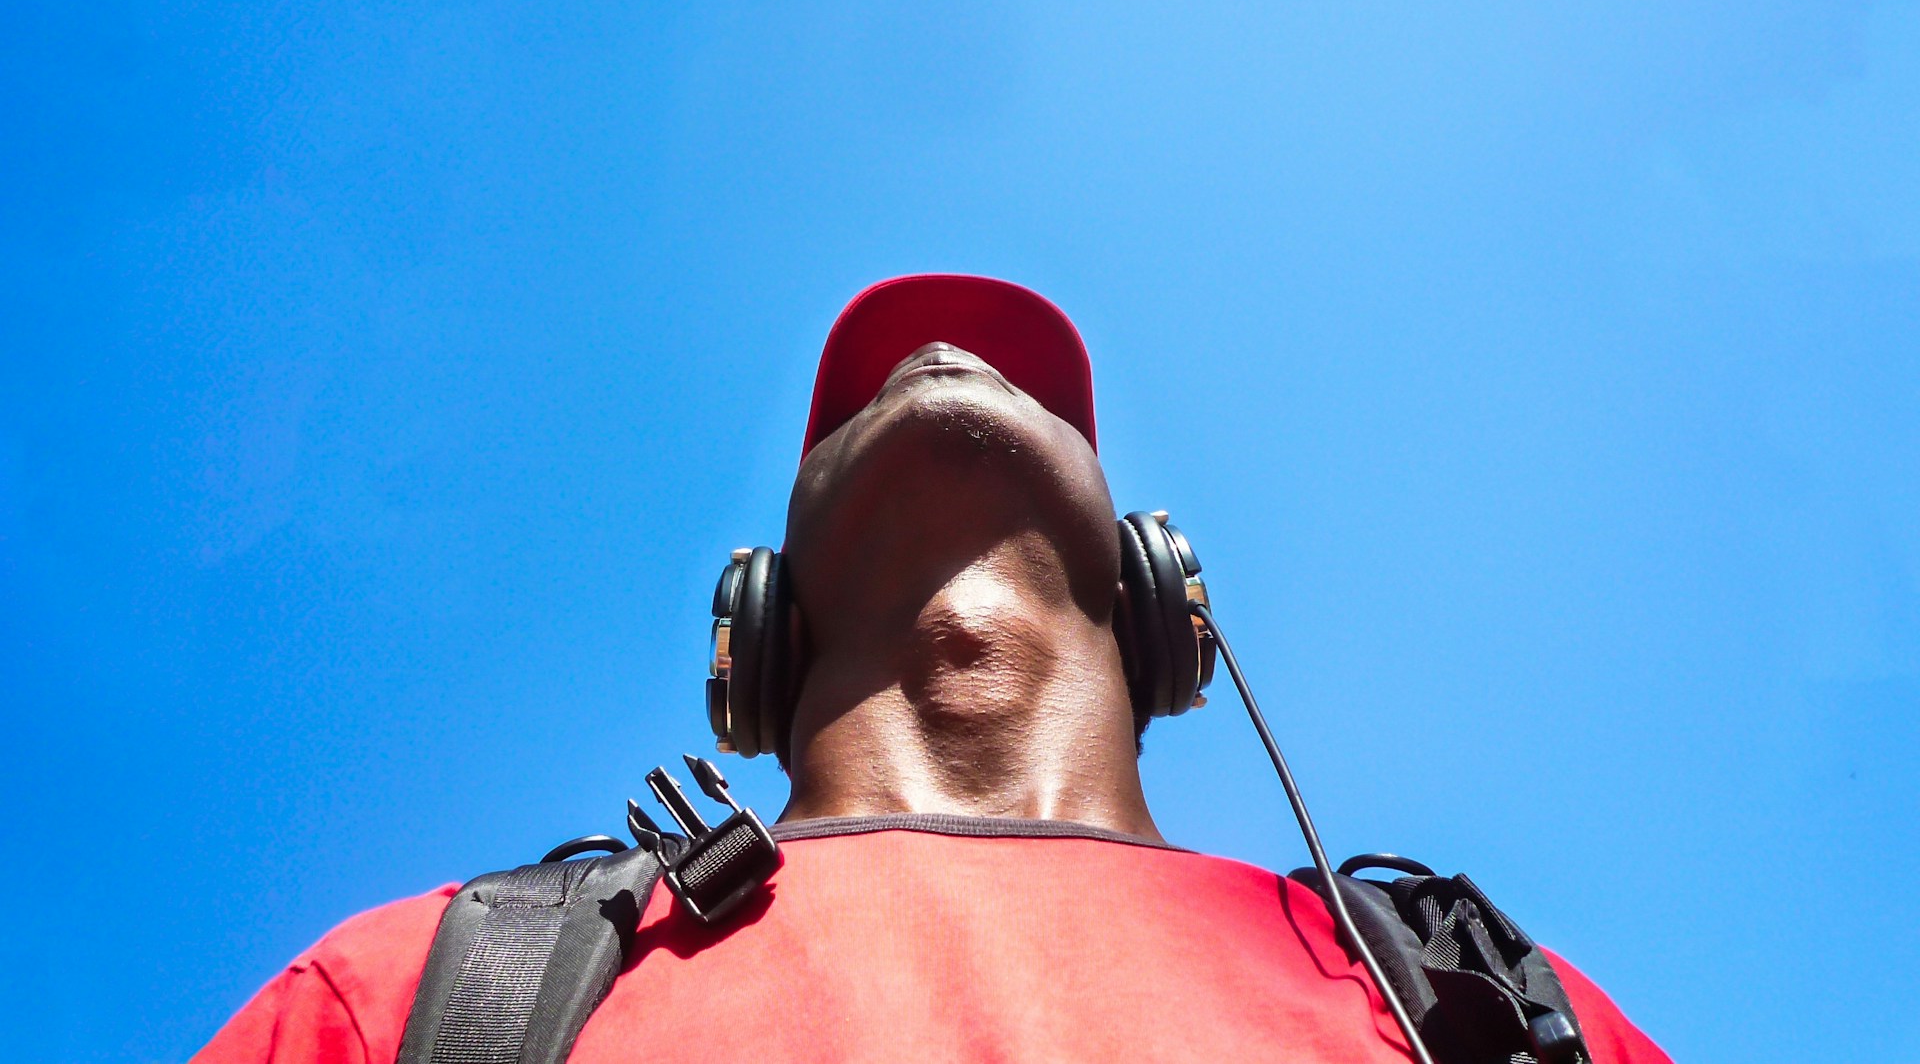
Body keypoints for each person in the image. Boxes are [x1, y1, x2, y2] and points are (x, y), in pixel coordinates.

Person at [196, 275, 1670, 1064]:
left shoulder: (1475, 1006)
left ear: (1162, 600)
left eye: (1031, 388)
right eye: (870, 393)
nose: (952, 356)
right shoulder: (426, 994)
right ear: (755, 634)